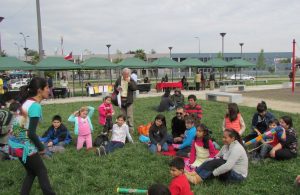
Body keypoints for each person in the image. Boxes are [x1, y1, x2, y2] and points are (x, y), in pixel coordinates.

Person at [8, 77, 56, 194]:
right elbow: (31, 133)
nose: (49, 90)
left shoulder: (27, 102)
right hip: (24, 145)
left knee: (31, 172)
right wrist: (42, 149)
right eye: (47, 87)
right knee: (41, 171)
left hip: (14, 145)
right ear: (39, 90)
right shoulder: (35, 106)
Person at [114, 68, 137, 134]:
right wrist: (117, 89)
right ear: (122, 74)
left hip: (129, 100)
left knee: (129, 116)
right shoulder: (119, 79)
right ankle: (123, 129)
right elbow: (115, 87)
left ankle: (131, 131)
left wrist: (129, 82)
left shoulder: (131, 79)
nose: (126, 76)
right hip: (121, 100)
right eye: (125, 74)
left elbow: (135, 88)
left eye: (128, 74)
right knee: (122, 116)